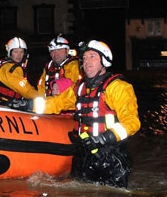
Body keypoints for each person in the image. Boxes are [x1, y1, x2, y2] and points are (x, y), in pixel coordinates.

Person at [10, 40, 141, 188]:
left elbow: (132, 123)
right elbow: (57, 103)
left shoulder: (118, 87)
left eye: (92, 57)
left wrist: (103, 138)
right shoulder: (80, 88)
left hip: (111, 156)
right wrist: (28, 105)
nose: (87, 61)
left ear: (104, 60)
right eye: (84, 58)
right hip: (84, 155)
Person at [0, 37, 42, 105]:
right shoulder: (11, 69)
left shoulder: (3, 63)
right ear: (10, 52)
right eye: (16, 52)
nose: (19, 55)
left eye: (21, 52)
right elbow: (26, 90)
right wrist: (42, 97)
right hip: (5, 104)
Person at [37, 35, 80, 114]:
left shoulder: (73, 66)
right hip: (49, 109)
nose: (56, 54)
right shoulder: (49, 67)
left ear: (67, 51)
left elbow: (73, 92)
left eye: (59, 50)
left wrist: (51, 104)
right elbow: (41, 88)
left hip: (67, 111)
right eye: (53, 51)